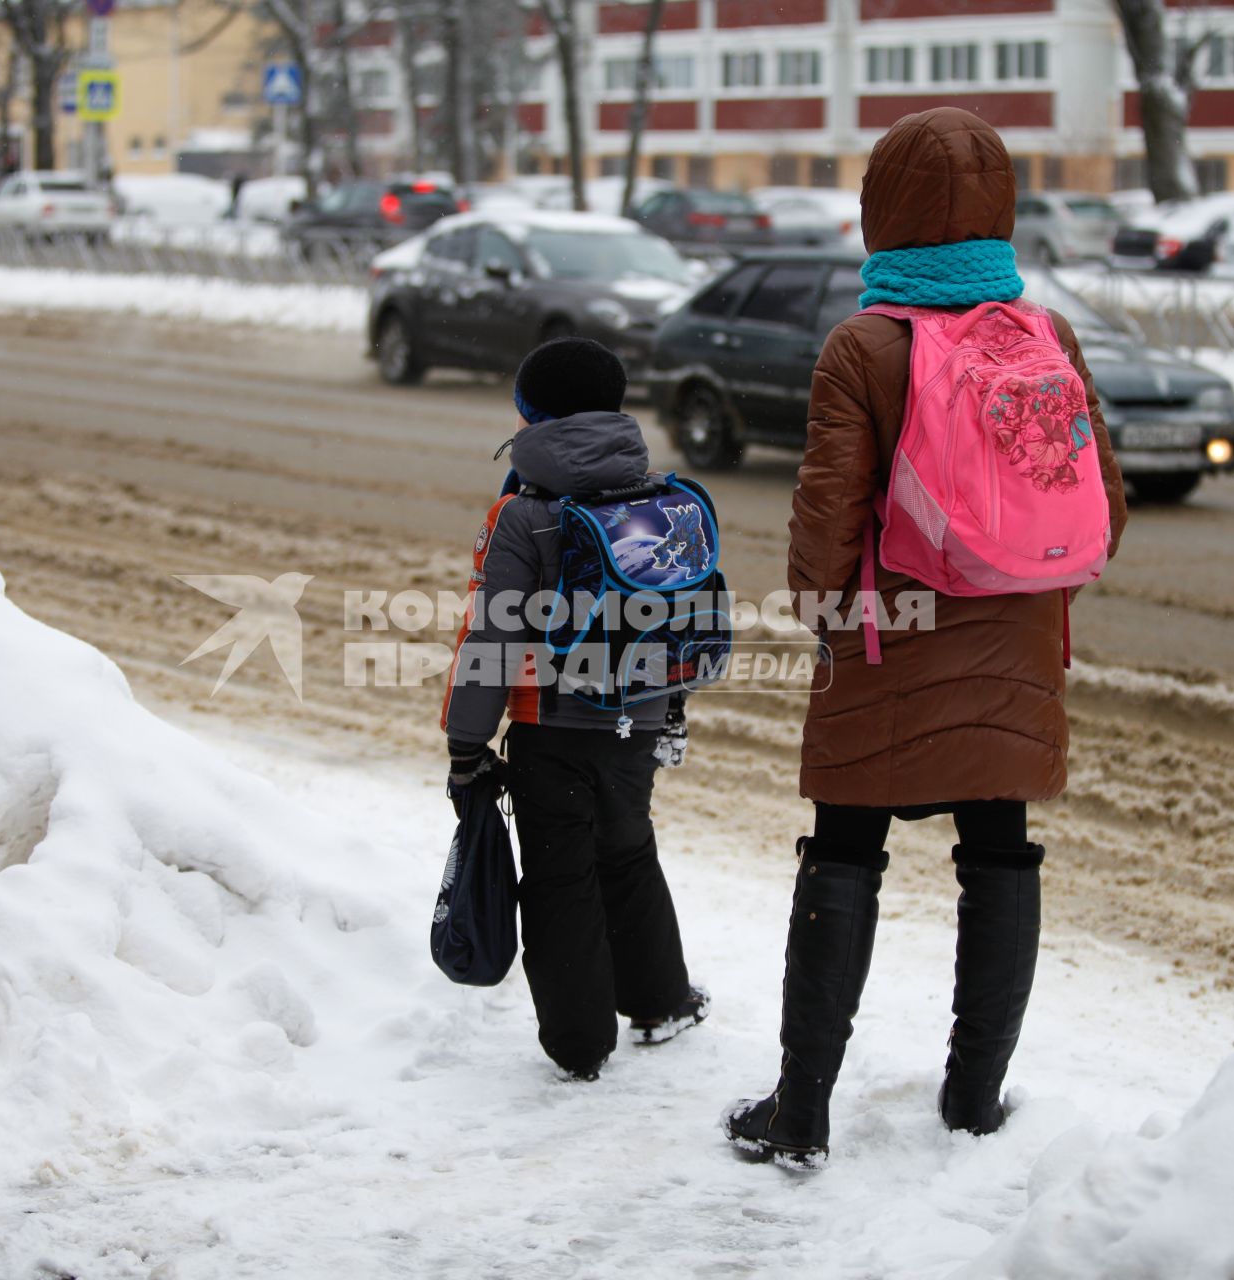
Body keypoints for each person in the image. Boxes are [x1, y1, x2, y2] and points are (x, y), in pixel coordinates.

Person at [723, 108, 1128, 1166]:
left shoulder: (865, 345)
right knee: (1000, 851)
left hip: (885, 640)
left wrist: (824, 619)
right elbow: (1106, 509)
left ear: (883, 211)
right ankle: (974, 1101)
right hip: (1020, 644)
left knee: (846, 848)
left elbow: (827, 518)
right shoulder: (1045, 337)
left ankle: (801, 1111)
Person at [441, 337, 708, 1081]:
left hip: (549, 726)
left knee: (561, 880)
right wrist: (669, 706)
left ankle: (580, 1044)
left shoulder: (525, 514)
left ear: (530, 413)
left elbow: (490, 635)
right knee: (627, 851)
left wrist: (467, 744)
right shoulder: (657, 496)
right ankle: (660, 1000)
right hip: (641, 716)